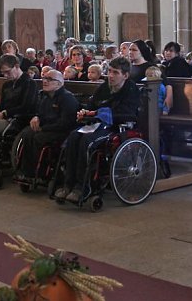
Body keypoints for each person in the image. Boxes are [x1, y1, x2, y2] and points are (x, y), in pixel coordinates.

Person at [54, 57, 141, 203]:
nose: (111, 76)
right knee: (74, 137)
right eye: (110, 72)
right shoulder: (105, 87)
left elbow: (130, 114)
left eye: (115, 73)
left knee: (87, 142)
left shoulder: (131, 89)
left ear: (125, 75)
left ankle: (83, 186)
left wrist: (102, 114)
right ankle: (68, 183)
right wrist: (85, 111)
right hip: (97, 124)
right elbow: (92, 104)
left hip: (115, 127)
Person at [13, 69, 79, 180]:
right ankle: (26, 171)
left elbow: (66, 123)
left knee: (38, 138)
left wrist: (43, 128)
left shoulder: (67, 98)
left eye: (49, 79)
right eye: (44, 78)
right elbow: (40, 113)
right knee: (27, 134)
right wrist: (36, 117)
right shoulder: (45, 96)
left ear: (59, 83)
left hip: (61, 131)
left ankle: (40, 172)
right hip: (47, 127)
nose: (45, 81)